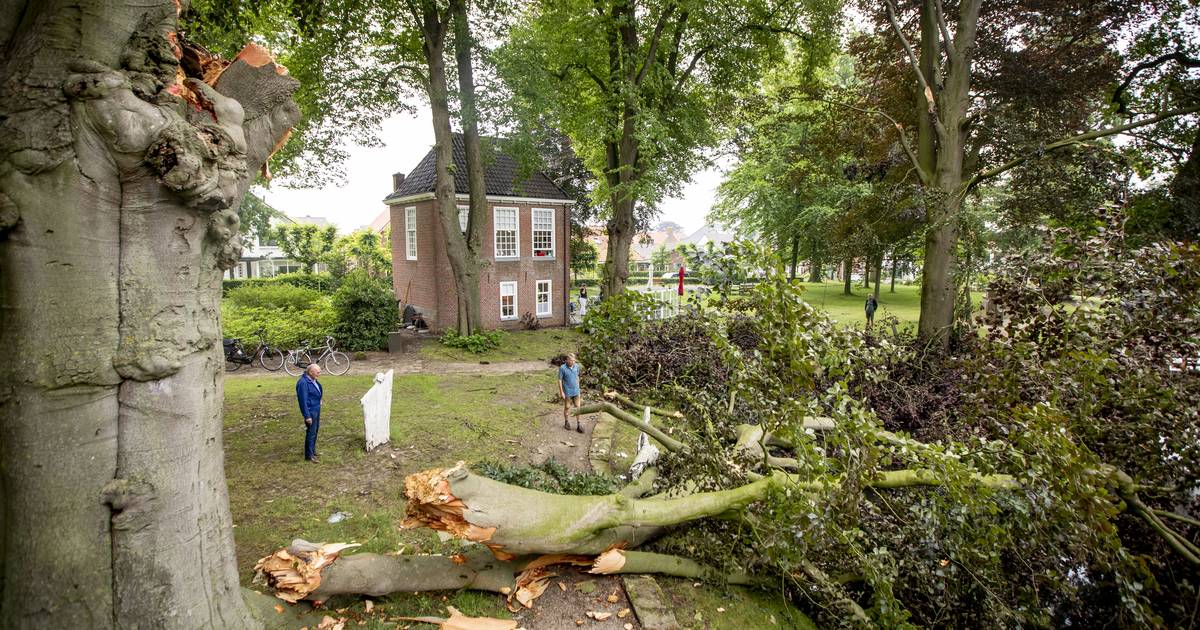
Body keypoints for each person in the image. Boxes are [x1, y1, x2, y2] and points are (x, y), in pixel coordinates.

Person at [296, 363, 324, 462]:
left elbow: (317, 388)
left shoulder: (312, 379)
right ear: (311, 372)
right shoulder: (303, 383)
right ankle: (309, 456)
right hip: (311, 411)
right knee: (311, 432)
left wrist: (320, 398)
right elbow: (302, 401)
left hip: (316, 409)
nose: (319, 374)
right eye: (318, 372)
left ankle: (312, 450)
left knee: (315, 430)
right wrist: (307, 416)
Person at [558, 353, 584, 433]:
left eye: (574, 360)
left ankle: (579, 424)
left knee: (578, 407)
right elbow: (559, 380)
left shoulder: (576, 366)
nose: (572, 362)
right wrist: (561, 392)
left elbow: (577, 377)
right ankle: (566, 422)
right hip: (567, 392)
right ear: (567, 360)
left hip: (576, 391)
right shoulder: (562, 368)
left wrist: (579, 388)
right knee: (567, 407)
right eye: (571, 360)